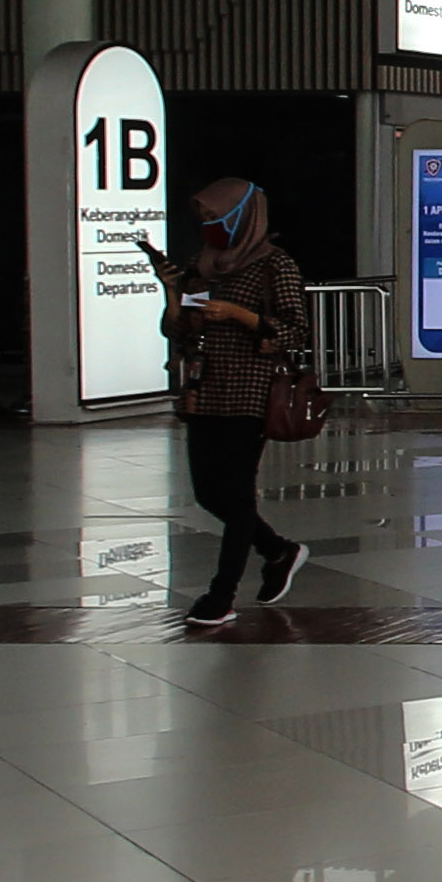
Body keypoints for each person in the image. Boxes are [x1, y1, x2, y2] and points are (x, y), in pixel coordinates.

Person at [166, 175, 314, 625]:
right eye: (203, 218)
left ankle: (221, 594)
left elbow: (294, 329)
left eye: (216, 216)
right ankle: (278, 550)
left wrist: (239, 315)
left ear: (243, 215)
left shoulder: (275, 265)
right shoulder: (203, 265)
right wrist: (172, 291)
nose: (209, 225)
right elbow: (179, 328)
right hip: (205, 390)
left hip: (251, 391)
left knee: (237, 493)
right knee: (208, 493)